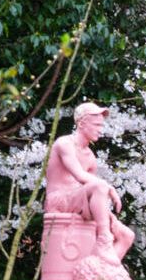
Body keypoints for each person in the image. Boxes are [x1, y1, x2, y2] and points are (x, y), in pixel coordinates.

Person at [45, 101, 134, 262]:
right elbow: (80, 176)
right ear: (81, 123)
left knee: (126, 235)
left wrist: (108, 216)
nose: (100, 130)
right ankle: (104, 241)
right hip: (59, 200)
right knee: (99, 185)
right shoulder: (65, 143)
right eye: (96, 125)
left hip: (80, 201)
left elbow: (93, 193)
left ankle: (102, 273)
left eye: (101, 125)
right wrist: (110, 188)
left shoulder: (90, 157)